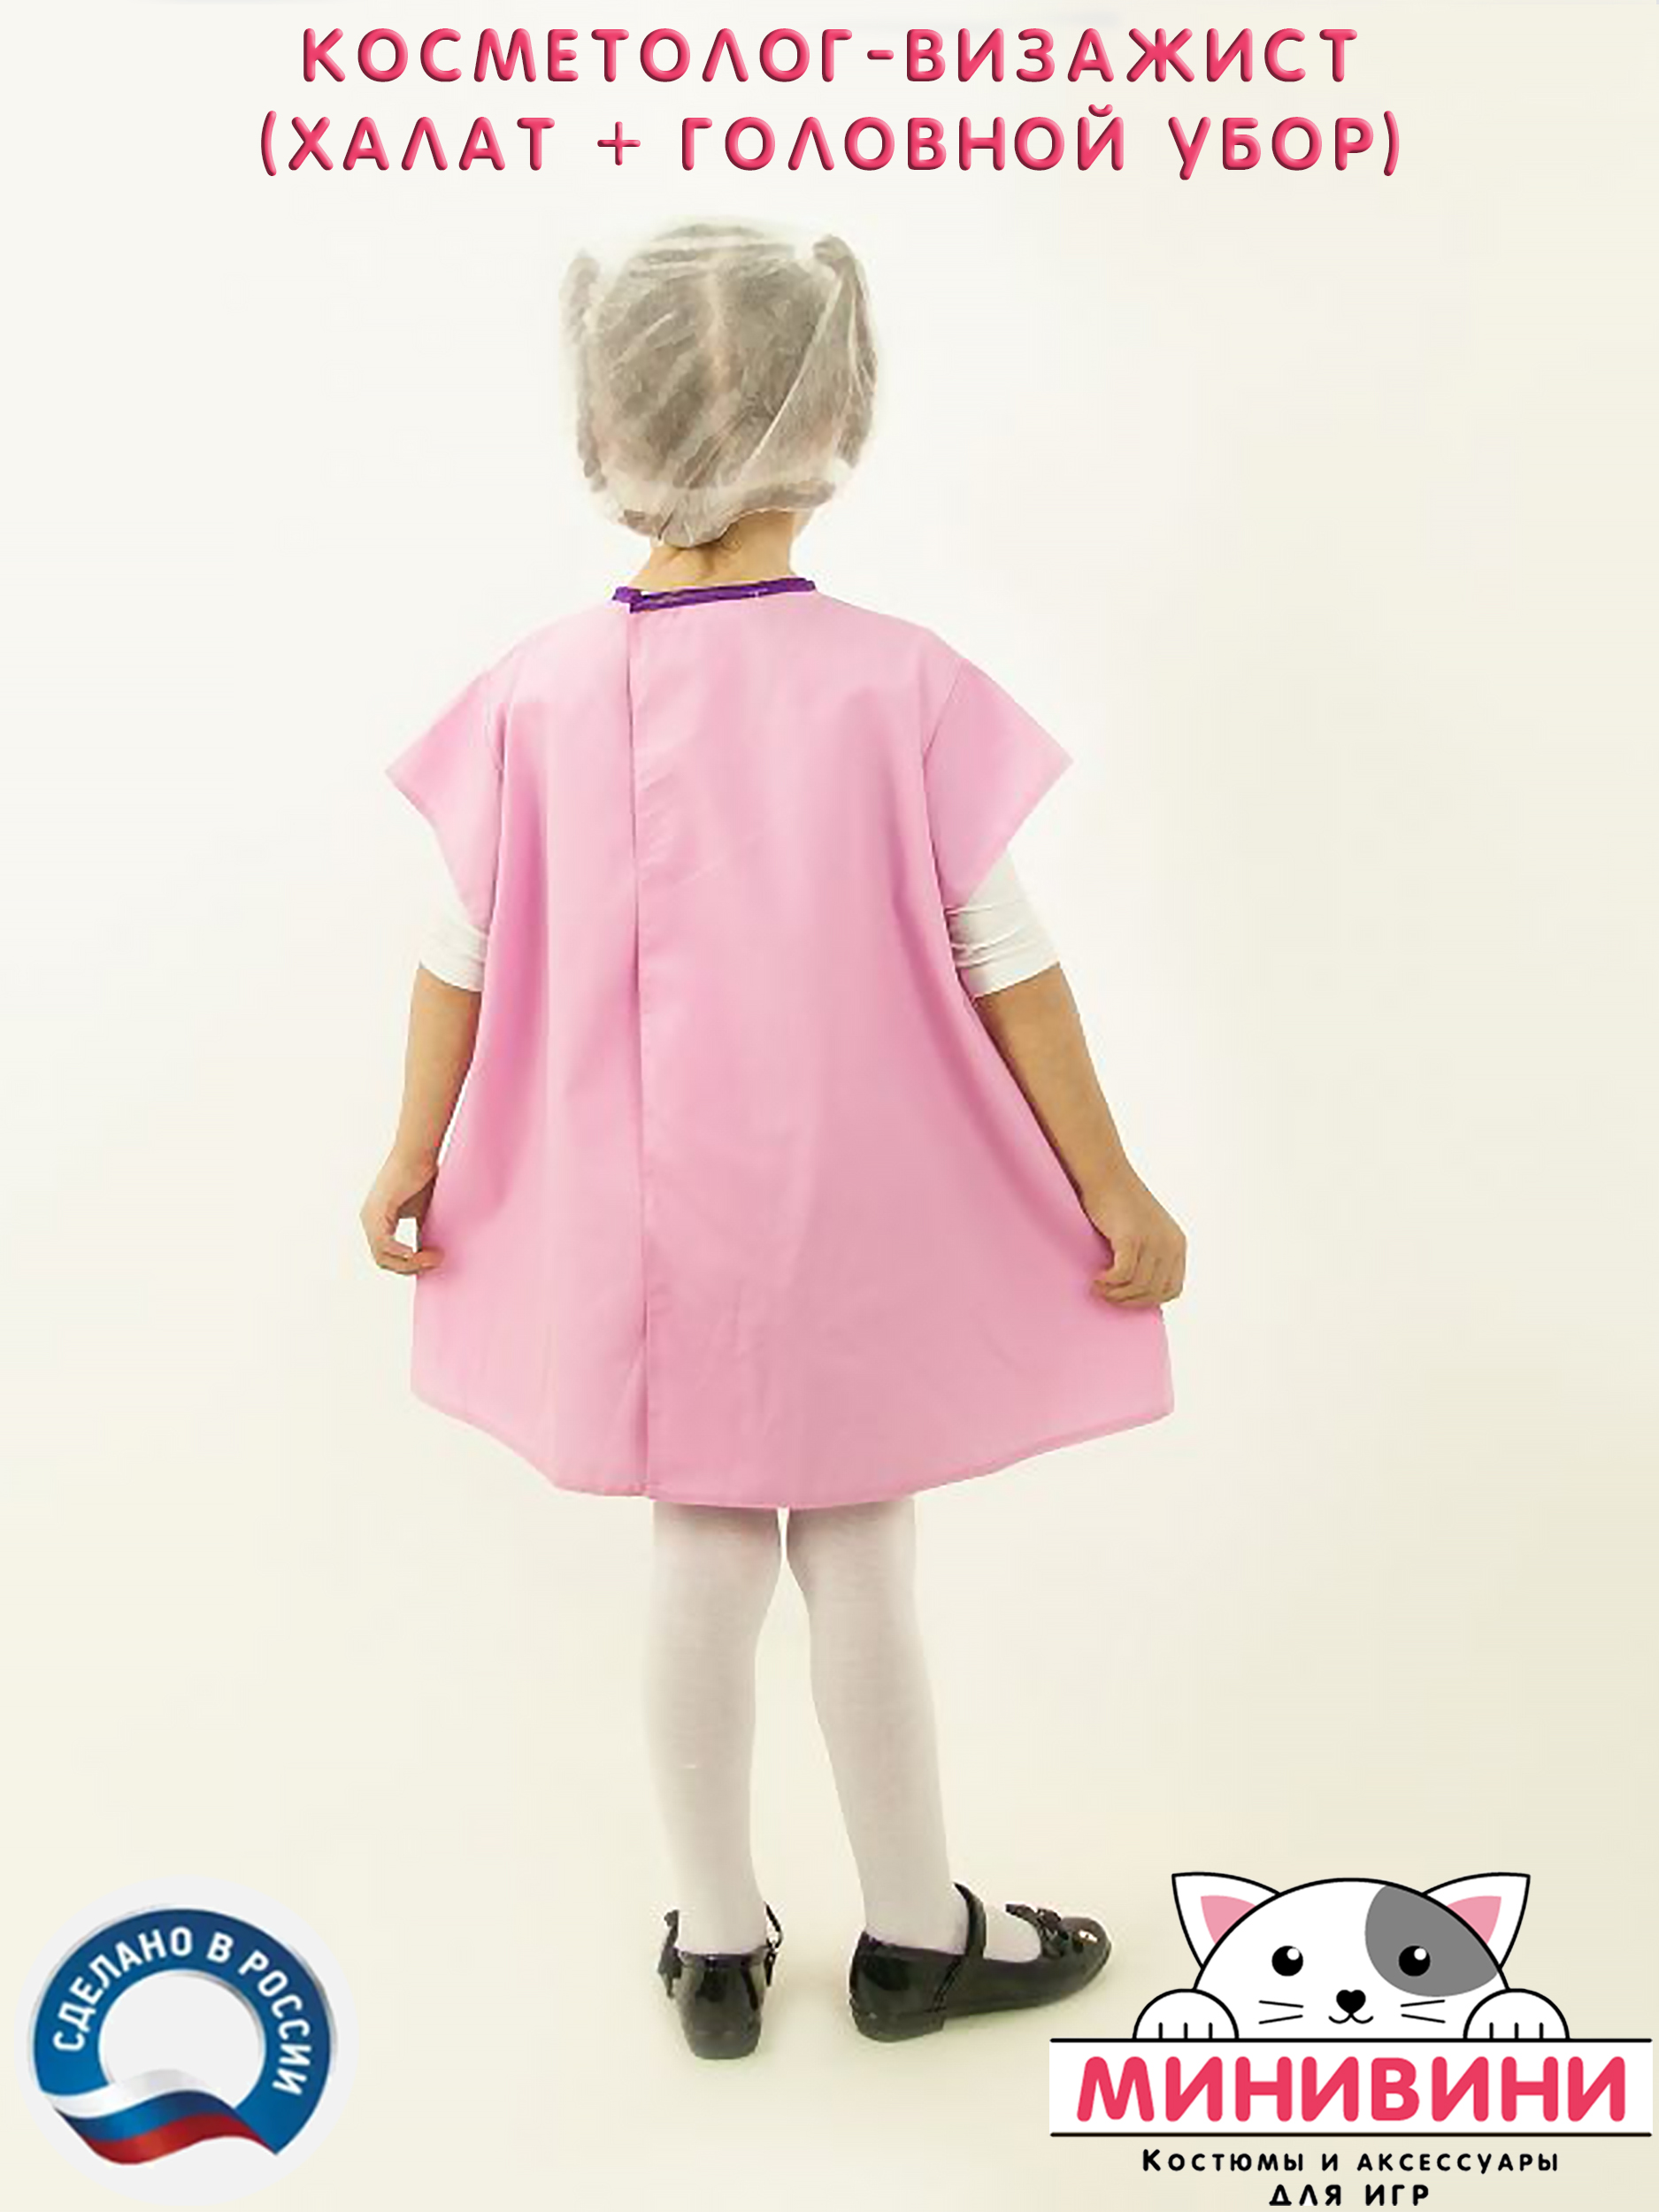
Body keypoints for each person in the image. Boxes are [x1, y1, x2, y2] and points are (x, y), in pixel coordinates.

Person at [359, 218, 1186, 2061]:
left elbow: (456, 953)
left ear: (607, 423)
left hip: (646, 1232)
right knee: (861, 1547)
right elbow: (1006, 957)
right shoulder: (896, 681)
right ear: (837, 419)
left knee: (703, 1546)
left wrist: (412, 1149)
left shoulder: (537, 690)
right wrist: (1109, 1181)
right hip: (849, 1214)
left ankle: (720, 1949)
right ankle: (916, 1934)